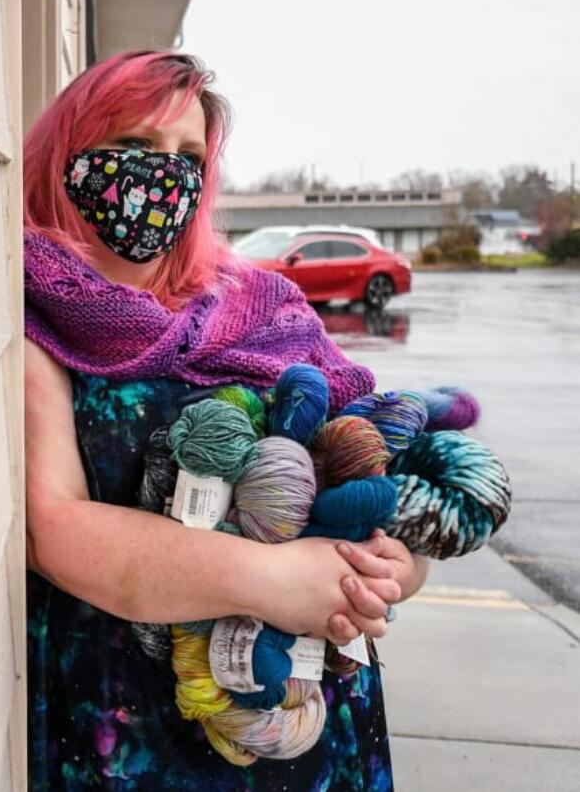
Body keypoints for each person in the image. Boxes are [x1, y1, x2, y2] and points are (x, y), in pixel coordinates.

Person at [22, 50, 429, 790]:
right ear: (64, 156)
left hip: (307, 711)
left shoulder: (264, 306)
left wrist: (399, 566)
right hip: (134, 724)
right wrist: (270, 578)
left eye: (187, 155)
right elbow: (54, 529)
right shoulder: (25, 316)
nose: (163, 174)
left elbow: (366, 467)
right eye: (136, 146)